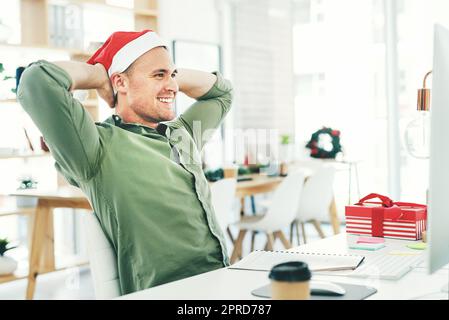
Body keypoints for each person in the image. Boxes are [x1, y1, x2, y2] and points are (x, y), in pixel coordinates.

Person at [17, 30, 233, 295]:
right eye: (158, 75)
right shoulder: (95, 148)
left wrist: (170, 74)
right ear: (120, 82)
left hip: (223, 280)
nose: (173, 87)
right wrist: (100, 75)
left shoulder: (182, 133)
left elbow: (222, 94)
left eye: (172, 75)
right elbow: (36, 81)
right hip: (170, 293)